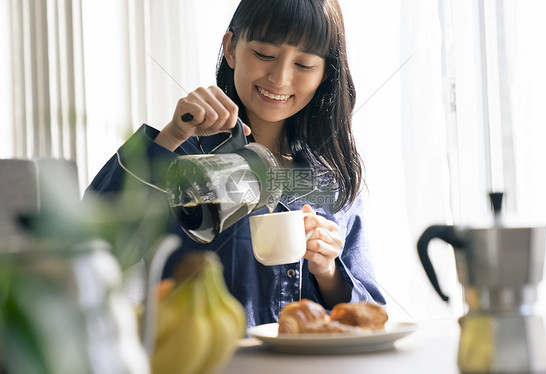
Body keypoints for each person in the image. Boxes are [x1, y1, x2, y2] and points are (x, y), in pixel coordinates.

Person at [86, 0, 385, 327]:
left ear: (325, 73)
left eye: (304, 64)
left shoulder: (332, 178)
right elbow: (88, 254)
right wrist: (171, 136)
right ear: (231, 49)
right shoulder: (183, 161)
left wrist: (328, 272)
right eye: (265, 54)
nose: (280, 78)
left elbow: (371, 316)